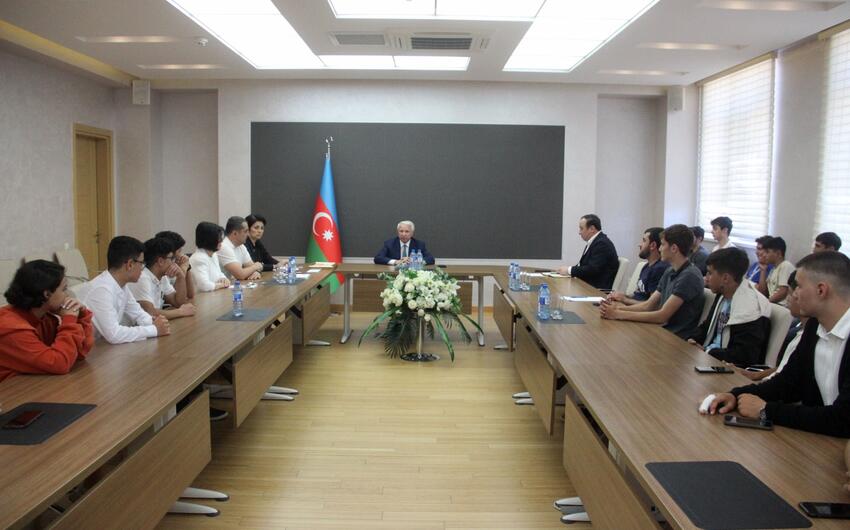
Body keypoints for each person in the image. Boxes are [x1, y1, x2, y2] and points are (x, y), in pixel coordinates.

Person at [704, 251, 850, 438]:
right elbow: (787, 383)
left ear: (821, 290)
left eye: (799, 286)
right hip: (823, 437)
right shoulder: (815, 326)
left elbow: (844, 419)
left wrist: (766, 410)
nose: (794, 294)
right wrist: (735, 395)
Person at [600, 224, 705, 339]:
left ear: (674, 248)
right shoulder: (670, 271)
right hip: (661, 330)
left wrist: (618, 314)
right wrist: (617, 308)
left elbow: (662, 316)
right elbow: (648, 305)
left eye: (663, 244)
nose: (659, 249)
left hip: (675, 337)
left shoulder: (689, 276)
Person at [0, 260, 94, 382]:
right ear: (47, 294)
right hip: (11, 391)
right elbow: (59, 364)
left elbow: (80, 353)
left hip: (31, 384)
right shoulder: (11, 328)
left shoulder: (45, 317)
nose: (67, 295)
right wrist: (70, 320)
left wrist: (81, 317)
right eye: (64, 289)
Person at [77, 236, 170, 343]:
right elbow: (114, 334)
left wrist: (154, 322)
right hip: (91, 349)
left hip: (103, 346)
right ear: (130, 265)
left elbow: (138, 313)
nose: (142, 269)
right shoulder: (101, 289)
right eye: (142, 264)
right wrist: (154, 329)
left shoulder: (121, 285)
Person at [687, 248, 771, 366]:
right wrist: (693, 339)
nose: (706, 277)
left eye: (710, 273)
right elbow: (707, 326)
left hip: (726, 367)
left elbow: (744, 355)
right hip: (708, 357)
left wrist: (707, 351)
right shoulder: (723, 294)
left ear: (725, 278)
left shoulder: (751, 308)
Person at [739, 271, 805, 382]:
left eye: (790, 293)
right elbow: (784, 368)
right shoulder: (802, 333)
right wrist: (755, 375)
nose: (789, 298)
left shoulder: (808, 339)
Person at [129, 237, 196, 320]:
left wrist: (181, 277)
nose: (174, 262)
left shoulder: (162, 277)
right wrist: (181, 312)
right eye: (171, 258)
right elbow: (149, 313)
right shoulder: (142, 278)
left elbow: (178, 302)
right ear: (160, 261)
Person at [606, 227, 669, 305]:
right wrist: (622, 296)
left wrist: (624, 300)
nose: (639, 245)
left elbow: (651, 306)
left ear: (652, 245)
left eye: (644, 241)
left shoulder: (659, 269)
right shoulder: (646, 266)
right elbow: (638, 295)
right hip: (632, 308)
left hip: (638, 311)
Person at [557, 214, 619, 290]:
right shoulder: (595, 241)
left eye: (581, 228)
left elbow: (592, 269)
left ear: (592, 229)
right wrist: (567, 270)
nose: (579, 232)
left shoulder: (602, 244)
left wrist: (569, 270)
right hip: (588, 286)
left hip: (596, 290)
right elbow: (583, 265)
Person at [189, 222, 231, 292]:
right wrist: (222, 285)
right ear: (209, 240)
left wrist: (224, 279)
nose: (221, 242)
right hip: (202, 297)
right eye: (219, 239)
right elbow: (204, 285)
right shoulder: (198, 258)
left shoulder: (213, 254)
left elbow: (219, 273)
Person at [218, 216, 263, 281]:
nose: (248, 234)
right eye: (245, 231)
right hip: (220, 286)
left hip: (233, 284)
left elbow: (251, 266)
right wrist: (256, 266)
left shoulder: (241, 246)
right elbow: (240, 275)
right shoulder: (224, 246)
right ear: (235, 233)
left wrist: (256, 272)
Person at [155, 230, 195, 300]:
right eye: (179, 251)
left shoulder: (176, 263)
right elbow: (177, 297)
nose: (181, 255)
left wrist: (187, 267)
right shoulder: (162, 269)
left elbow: (190, 294)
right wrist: (182, 271)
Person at [757, 236, 795, 306]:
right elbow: (762, 292)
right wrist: (763, 270)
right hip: (773, 304)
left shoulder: (785, 265)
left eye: (767, 252)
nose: (764, 255)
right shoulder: (773, 269)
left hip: (782, 305)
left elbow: (783, 291)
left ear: (778, 254)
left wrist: (766, 303)